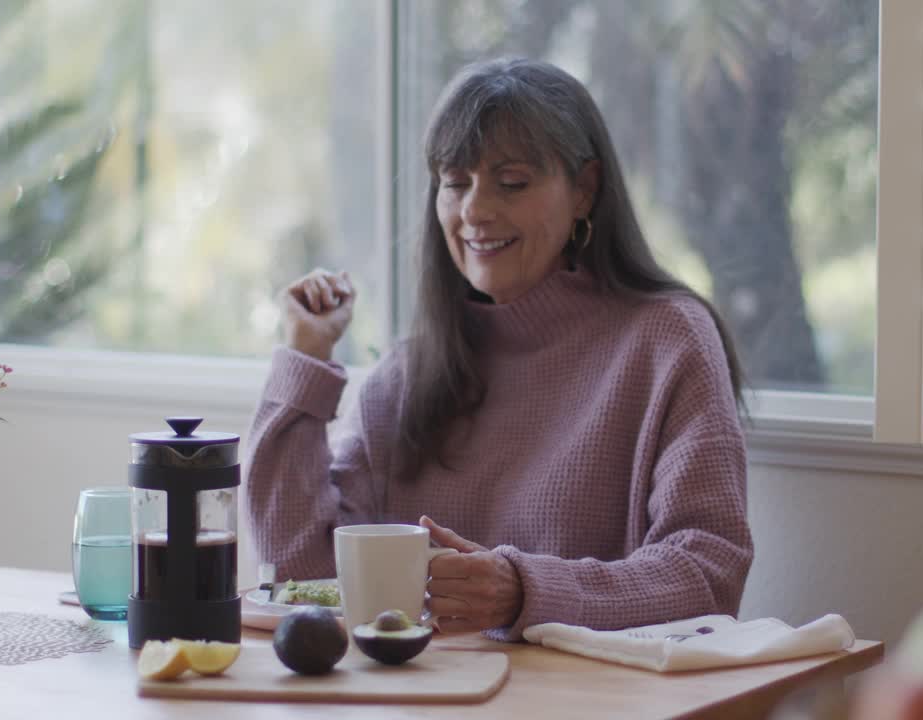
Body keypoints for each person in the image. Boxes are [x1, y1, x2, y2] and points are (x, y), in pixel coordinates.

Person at [244, 57, 753, 641]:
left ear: (584, 190)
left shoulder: (668, 340)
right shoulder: (407, 377)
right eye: (455, 183)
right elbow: (302, 575)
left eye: (512, 182)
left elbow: (709, 572)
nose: (475, 211)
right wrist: (306, 362)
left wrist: (525, 590)